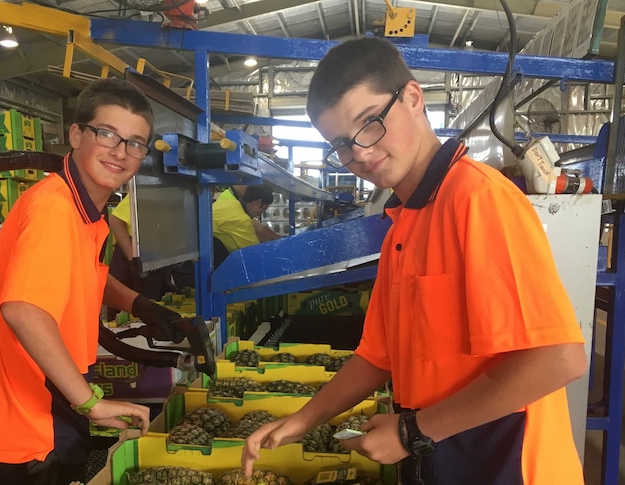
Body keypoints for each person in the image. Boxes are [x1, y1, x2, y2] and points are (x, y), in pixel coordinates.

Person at [242, 38, 587, 485]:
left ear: (412, 98)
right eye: (342, 144)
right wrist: (303, 420)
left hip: (504, 460)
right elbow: (376, 358)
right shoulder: (405, 225)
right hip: (447, 455)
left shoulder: (477, 200)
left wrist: (412, 432)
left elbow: (558, 359)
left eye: (369, 124)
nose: (360, 154)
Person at [0, 78, 183, 485]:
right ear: (76, 135)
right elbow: (24, 309)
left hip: (53, 401)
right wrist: (91, 404)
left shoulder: (88, 212)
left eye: (135, 142)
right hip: (26, 419)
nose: (120, 151)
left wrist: (142, 306)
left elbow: (84, 277)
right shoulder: (54, 209)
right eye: (108, 134)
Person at [108, 192, 176, 301]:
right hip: (133, 258)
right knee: (126, 310)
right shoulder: (145, 191)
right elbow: (115, 220)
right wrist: (132, 260)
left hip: (156, 258)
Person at [213, 184, 280, 261]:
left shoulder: (229, 202)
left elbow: (261, 228)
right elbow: (255, 254)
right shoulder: (242, 220)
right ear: (258, 202)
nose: (260, 214)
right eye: (263, 209)